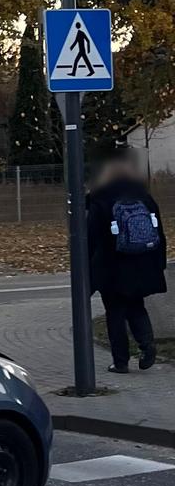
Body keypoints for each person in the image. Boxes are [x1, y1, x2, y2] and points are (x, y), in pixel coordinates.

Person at [87, 149, 165, 373]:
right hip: (141, 264)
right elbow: (158, 232)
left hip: (111, 267)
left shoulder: (100, 198)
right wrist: (157, 264)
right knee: (136, 306)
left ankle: (120, 361)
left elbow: (91, 237)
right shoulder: (144, 196)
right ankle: (147, 345)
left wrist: (88, 271)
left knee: (115, 313)